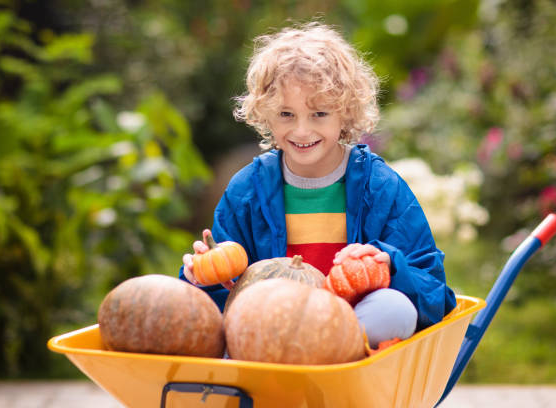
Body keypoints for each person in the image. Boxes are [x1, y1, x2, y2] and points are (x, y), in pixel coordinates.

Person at [180, 22, 456, 346]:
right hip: (270, 331)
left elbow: (435, 293)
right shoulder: (247, 191)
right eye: (286, 114)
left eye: (319, 114)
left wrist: (391, 264)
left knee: (395, 310)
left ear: (346, 113)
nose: (301, 130)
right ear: (265, 114)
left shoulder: (380, 187)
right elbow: (215, 301)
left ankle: (327, 356)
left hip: (346, 331)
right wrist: (201, 277)